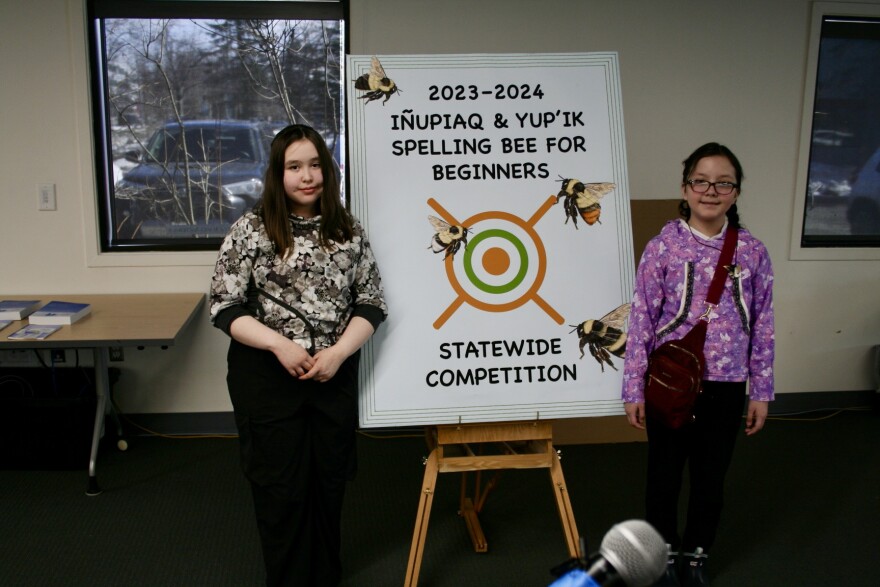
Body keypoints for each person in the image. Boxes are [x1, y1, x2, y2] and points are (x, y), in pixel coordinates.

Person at [210, 124, 387, 586]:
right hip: (267, 378)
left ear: (327, 170)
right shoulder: (251, 230)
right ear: (277, 173)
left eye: (314, 165)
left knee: (328, 485)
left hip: (332, 375)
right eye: (294, 167)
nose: (306, 176)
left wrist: (340, 353)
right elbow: (224, 306)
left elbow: (371, 302)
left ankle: (325, 576)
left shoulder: (347, 231)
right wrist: (279, 344)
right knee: (281, 489)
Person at [621, 142, 774, 587]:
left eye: (723, 182)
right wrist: (633, 388)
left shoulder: (752, 252)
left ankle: (697, 554)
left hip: (727, 385)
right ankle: (663, 553)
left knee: (711, 478)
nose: (712, 190)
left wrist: (761, 390)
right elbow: (642, 317)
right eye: (701, 181)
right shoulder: (662, 246)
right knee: (664, 476)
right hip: (669, 382)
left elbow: (764, 323)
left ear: (736, 192)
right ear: (685, 188)